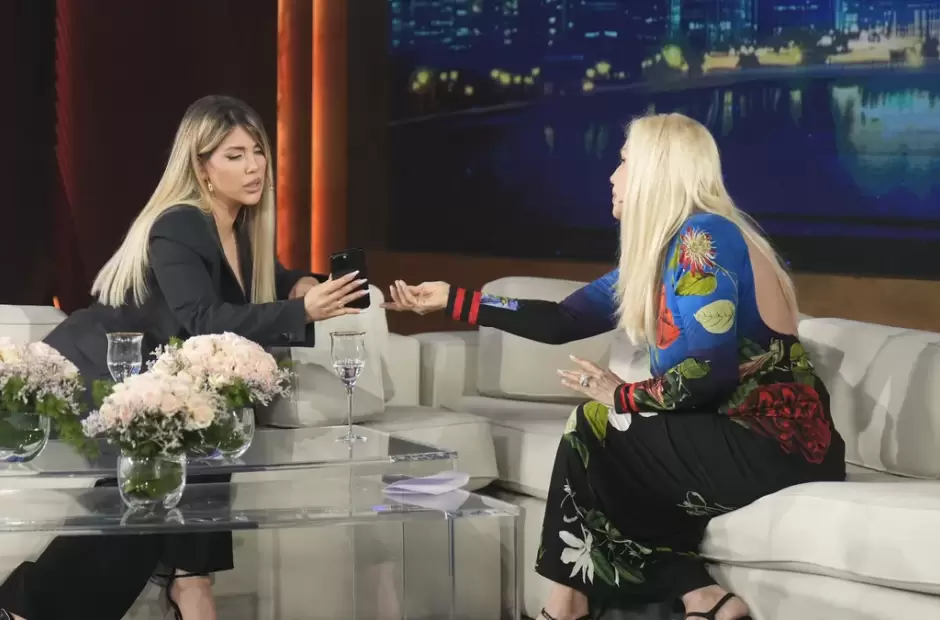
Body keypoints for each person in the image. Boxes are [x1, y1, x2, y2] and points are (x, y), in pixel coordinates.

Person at [384, 112, 846, 620]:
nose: (612, 175)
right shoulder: (665, 252)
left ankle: (573, 606)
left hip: (777, 445)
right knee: (605, 444)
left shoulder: (703, 240)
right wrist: (454, 299)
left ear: (655, 171)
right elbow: (562, 319)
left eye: (624, 161)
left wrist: (622, 394)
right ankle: (701, 599)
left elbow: (707, 371)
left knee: (596, 426)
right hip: (733, 436)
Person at [0, 95, 367, 620]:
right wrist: (301, 311)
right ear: (202, 167)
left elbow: (255, 280)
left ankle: (190, 583)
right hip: (96, 375)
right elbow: (204, 319)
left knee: (210, 429)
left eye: (258, 152)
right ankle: (37, 603)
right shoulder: (180, 223)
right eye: (234, 155)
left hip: (154, 385)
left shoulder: (238, 227)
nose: (254, 166)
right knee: (154, 480)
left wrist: (299, 284)